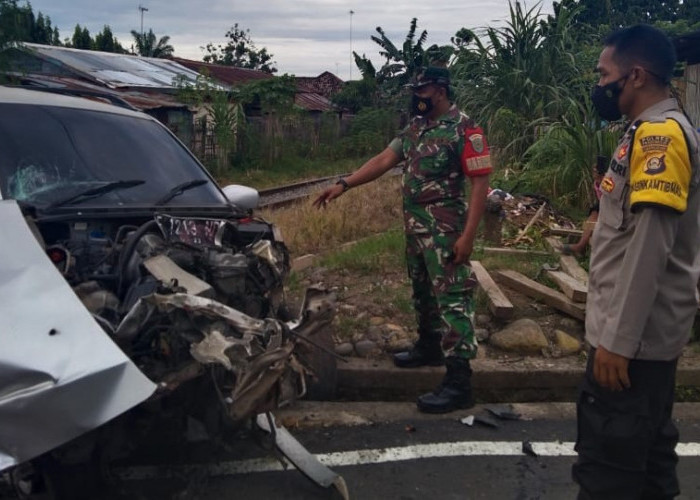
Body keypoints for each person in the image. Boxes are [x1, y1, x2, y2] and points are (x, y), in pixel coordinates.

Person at [313, 66, 491, 414]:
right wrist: (344, 184)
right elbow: (384, 159)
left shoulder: (465, 129)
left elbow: (481, 184)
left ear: (439, 91)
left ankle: (459, 382)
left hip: (445, 230)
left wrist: (468, 236)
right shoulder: (416, 127)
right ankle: (428, 346)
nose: (416, 97)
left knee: (453, 300)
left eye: (421, 91)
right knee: (422, 289)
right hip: (416, 228)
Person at [573, 25, 700, 499]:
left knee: (609, 473)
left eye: (605, 74)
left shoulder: (659, 139)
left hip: (632, 348)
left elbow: (650, 244)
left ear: (636, 76)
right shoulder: (646, 131)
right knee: (648, 465)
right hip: (645, 342)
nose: (599, 84)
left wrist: (617, 343)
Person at [561, 155, 607, 256]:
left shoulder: (606, 182)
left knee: (594, 214)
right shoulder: (596, 184)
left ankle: (581, 245)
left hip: (609, 206)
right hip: (602, 206)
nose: (593, 173)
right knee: (592, 215)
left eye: (595, 171)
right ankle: (581, 244)